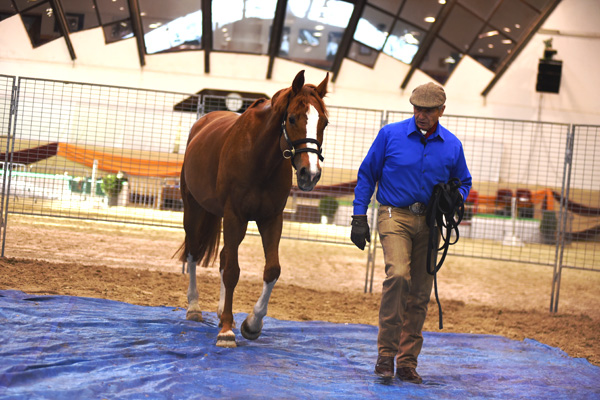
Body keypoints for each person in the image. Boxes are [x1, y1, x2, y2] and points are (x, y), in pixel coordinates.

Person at [350, 82, 472, 384]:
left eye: (429, 110)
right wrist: (358, 215)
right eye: (418, 108)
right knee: (399, 276)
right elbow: (367, 174)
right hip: (395, 215)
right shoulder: (389, 135)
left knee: (419, 293)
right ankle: (386, 354)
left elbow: (464, 181)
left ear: (441, 111)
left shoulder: (453, 146)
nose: (422, 115)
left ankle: (407, 362)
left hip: (430, 223)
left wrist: (457, 198)